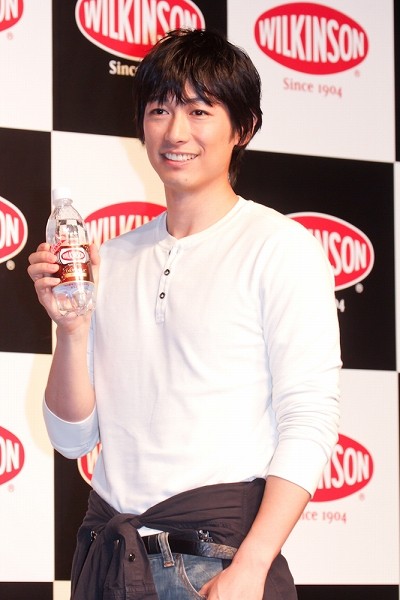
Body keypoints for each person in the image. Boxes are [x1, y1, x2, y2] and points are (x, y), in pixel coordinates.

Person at [28, 28, 341, 600]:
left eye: (200, 111)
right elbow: (71, 439)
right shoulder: (112, 258)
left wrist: (252, 565)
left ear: (242, 128)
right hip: (113, 561)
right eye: (159, 110)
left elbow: (310, 418)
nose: (176, 132)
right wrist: (71, 328)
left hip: (217, 564)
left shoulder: (279, 246)